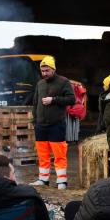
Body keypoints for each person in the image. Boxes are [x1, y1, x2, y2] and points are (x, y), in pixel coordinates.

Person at [30, 55, 76, 190]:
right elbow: (35, 103)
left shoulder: (63, 82)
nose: (44, 73)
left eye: (47, 71)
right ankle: (43, 179)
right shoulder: (40, 84)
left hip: (56, 124)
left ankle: (62, 181)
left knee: (59, 154)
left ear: (53, 69)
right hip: (40, 125)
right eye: (42, 71)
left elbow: (71, 99)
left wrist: (53, 100)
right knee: (42, 155)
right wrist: (35, 120)